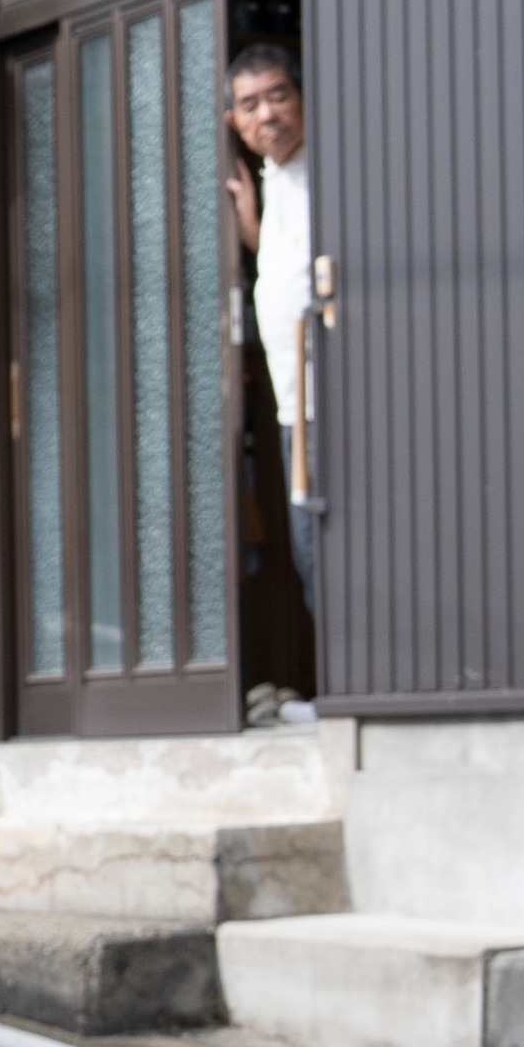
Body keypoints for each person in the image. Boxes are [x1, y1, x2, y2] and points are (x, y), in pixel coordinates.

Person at [228, 39, 318, 625]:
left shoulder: (325, 168)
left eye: (278, 96)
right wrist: (252, 229)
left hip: (331, 399)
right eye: (250, 104)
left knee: (327, 554)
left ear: (303, 99)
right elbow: (290, 271)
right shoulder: (275, 177)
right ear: (233, 121)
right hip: (294, 407)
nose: (267, 114)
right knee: (311, 557)